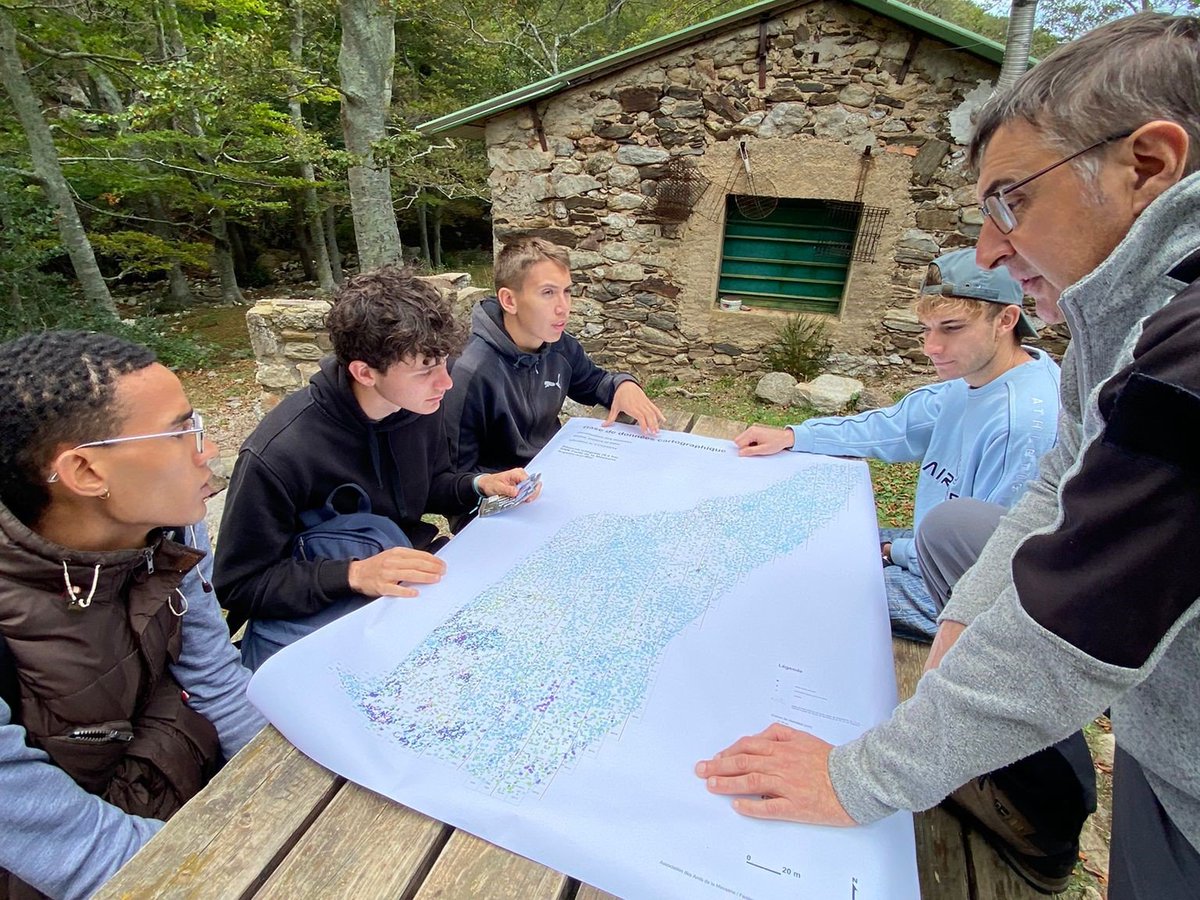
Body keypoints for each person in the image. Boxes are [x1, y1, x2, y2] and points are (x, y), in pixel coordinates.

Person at [696, 13, 1200, 898]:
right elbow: (1057, 487)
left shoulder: (1184, 360)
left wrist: (859, 778)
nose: (990, 250)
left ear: (1149, 166)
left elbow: (1067, 627)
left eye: (1012, 199)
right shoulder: (1114, 318)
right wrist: (968, 609)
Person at [0, 330, 265, 899]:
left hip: (179, 796)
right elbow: (71, 846)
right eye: (180, 432)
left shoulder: (167, 528)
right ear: (87, 473)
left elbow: (215, 680)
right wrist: (239, 869)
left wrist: (285, 788)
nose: (208, 449)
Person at [214, 266, 535, 670]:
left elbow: (427, 484)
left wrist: (478, 483)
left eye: (444, 363)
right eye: (425, 370)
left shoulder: (417, 405)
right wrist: (354, 574)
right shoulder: (279, 453)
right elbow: (240, 585)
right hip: (329, 617)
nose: (445, 383)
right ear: (364, 372)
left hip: (401, 585)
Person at [735, 249, 1060, 641]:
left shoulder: (1024, 424)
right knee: (802, 539)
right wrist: (795, 436)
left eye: (951, 328)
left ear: (1006, 320)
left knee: (795, 586)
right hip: (923, 551)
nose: (931, 347)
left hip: (961, 596)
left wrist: (891, 553)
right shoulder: (972, 381)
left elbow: (993, 563)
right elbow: (894, 427)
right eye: (926, 329)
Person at [442, 236, 666, 477]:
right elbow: (454, 477)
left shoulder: (559, 346)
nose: (563, 307)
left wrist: (623, 385)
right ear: (509, 300)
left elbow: (594, 382)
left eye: (567, 292)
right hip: (499, 500)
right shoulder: (469, 370)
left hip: (554, 472)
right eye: (548, 293)